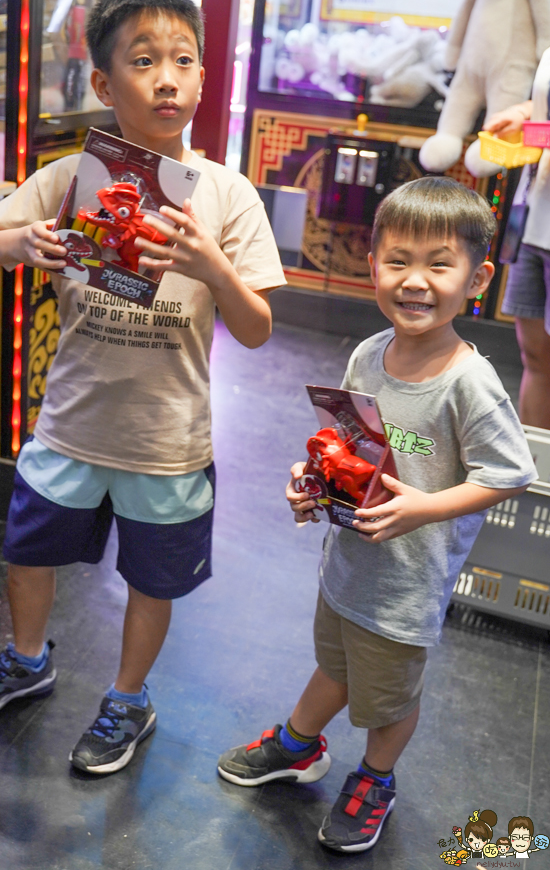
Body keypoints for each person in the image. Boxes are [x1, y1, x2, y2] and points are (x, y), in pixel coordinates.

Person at [0, 0, 285, 775]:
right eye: (143, 61)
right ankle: (28, 658)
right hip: (71, 421)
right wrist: (21, 241)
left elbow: (258, 328)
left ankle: (129, 698)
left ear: (204, 79)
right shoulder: (70, 178)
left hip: (168, 438)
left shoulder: (229, 196)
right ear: (104, 84)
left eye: (183, 60)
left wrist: (213, 266)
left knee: (151, 575)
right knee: (29, 550)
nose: (167, 77)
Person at [217, 177, 537, 853]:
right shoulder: (368, 353)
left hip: (406, 584)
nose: (414, 280)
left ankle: (376, 776)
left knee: (388, 693)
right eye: (398, 260)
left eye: (438, 264)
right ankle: (300, 743)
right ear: (373, 266)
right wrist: (312, 480)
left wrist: (426, 506)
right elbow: (348, 443)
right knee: (335, 659)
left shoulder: (469, 383)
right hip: (349, 560)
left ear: (477, 278)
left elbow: (512, 472)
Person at [483, 46, 550, 429]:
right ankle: (536, 471)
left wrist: (531, 132)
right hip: (534, 223)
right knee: (535, 356)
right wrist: (523, 112)